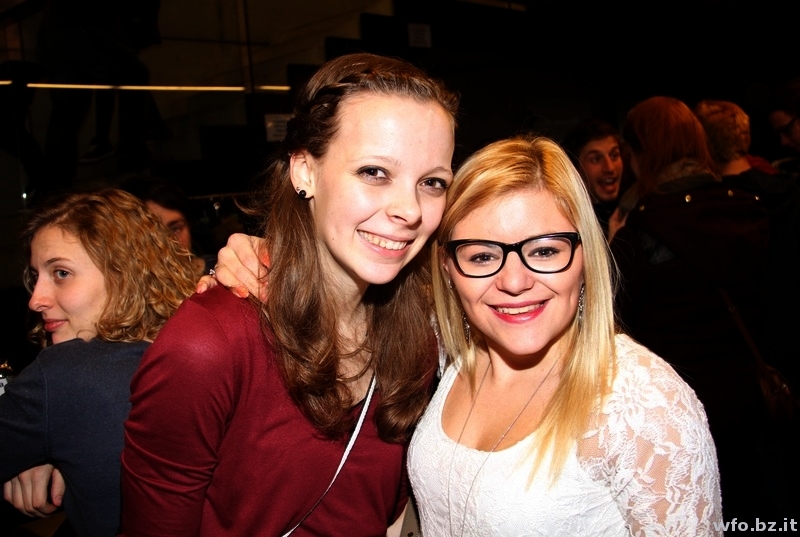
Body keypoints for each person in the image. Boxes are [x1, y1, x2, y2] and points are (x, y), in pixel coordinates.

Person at [211, 135, 722, 535]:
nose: (515, 282)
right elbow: (338, 291)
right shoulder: (444, 353)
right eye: (481, 256)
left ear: (585, 255)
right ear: (448, 269)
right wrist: (261, 256)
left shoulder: (644, 405)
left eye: (545, 250)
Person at [119, 52, 458, 536]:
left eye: (432, 182)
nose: (410, 209)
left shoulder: (419, 341)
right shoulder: (210, 342)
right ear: (304, 171)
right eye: (374, 172)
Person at [610, 96, 786, 522]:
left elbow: (614, 326)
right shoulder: (752, 207)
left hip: (680, 409)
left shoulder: (640, 231)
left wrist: (612, 245)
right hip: (751, 400)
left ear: (640, 153)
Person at [0, 188, 197, 537]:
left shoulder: (64, 374)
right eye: (36, 276)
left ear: (125, 275)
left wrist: (40, 447)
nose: (36, 300)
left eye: (61, 273)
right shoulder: (194, 350)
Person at [121, 175, 217, 277]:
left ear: (189, 225)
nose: (169, 241)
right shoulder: (128, 283)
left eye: (175, 229)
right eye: (154, 232)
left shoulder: (218, 269)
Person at [560, 118, 625, 236]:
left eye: (614, 155)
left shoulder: (632, 212)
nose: (609, 167)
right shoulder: (569, 225)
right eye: (596, 159)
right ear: (576, 168)